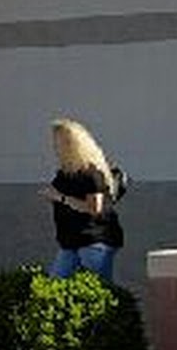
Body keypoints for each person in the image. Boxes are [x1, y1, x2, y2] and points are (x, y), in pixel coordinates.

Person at [43, 117, 125, 281]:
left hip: (93, 240)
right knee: (55, 285)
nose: (55, 147)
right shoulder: (66, 172)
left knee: (98, 286)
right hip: (70, 241)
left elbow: (94, 208)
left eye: (58, 142)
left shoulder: (91, 171)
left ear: (71, 144)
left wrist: (60, 198)